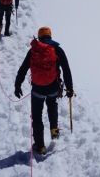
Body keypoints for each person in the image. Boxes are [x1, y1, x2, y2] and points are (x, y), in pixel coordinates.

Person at [14, 26, 75, 155]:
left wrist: (17, 85)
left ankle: (40, 146)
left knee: (36, 117)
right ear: (50, 36)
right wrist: (69, 88)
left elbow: (23, 68)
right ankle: (54, 130)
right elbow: (66, 69)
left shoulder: (33, 51)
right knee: (52, 106)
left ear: (39, 37)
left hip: (37, 89)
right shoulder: (57, 50)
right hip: (53, 87)